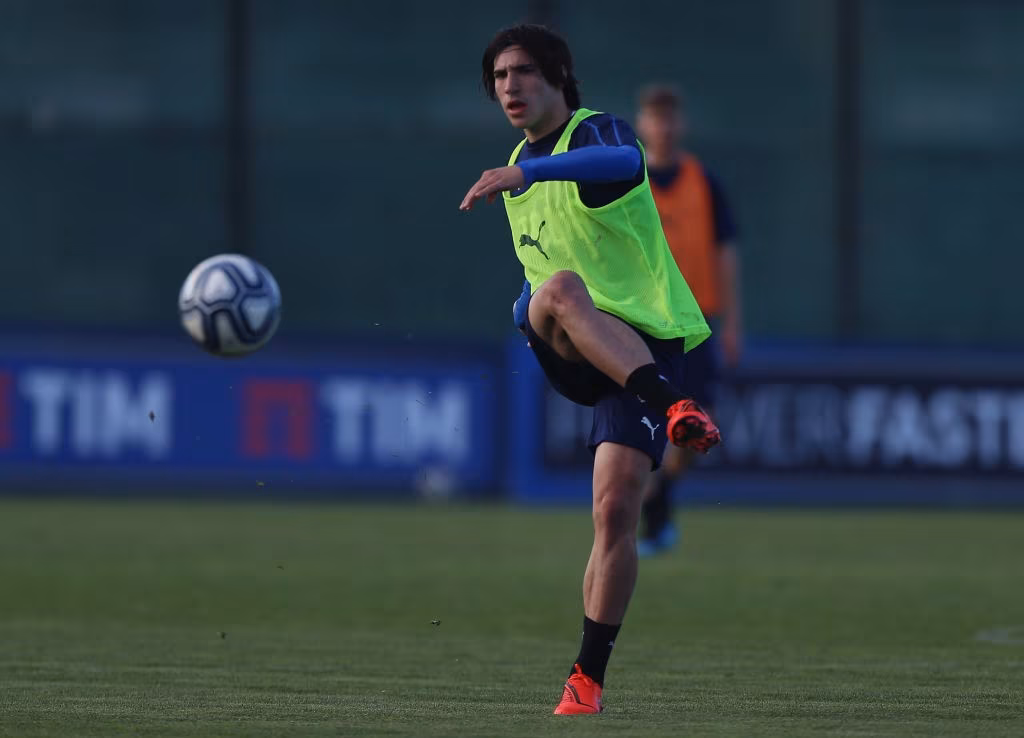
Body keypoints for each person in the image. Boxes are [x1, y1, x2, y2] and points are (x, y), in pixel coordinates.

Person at [459, 24, 721, 715]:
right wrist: (529, 308)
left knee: (615, 510)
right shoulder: (516, 168)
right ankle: (672, 403)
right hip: (573, 341)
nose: (509, 87)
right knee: (558, 291)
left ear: (557, 77)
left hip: (642, 342)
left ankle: (586, 679)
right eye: (499, 77)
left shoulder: (594, 134)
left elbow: (624, 161)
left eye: (522, 72)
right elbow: (545, 271)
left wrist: (529, 173)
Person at [634, 84, 743, 557]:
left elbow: (726, 253)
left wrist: (733, 322)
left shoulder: (704, 182)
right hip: (641, 320)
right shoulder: (627, 177)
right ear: (642, 124)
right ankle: (648, 514)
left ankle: (658, 497)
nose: (663, 126)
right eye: (655, 117)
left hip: (695, 322)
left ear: (681, 124)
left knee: (699, 423)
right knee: (642, 424)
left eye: (670, 117)